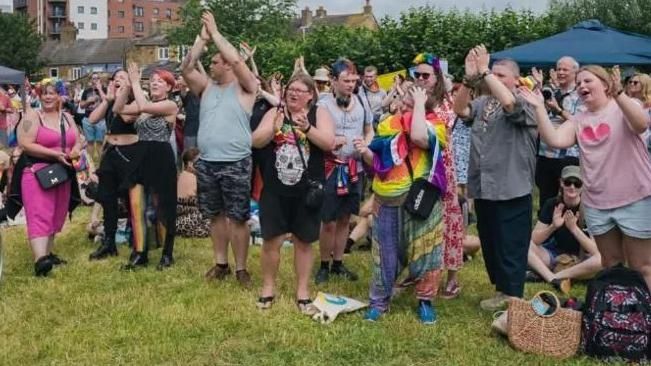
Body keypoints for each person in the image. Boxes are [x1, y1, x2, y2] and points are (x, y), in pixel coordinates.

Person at [521, 65, 651, 291]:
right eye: (579, 82)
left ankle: (646, 317)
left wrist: (619, 92)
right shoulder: (578, 120)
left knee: (643, 267)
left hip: (634, 198)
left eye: (587, 81)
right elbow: (555, 139)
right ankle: (617, 317)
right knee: (611, 265)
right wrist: (539, 107)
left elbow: (641, 124)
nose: (581, 85)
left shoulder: (625, 106)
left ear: (605, 84)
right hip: (598, 204)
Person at [453, 45, 537, 311]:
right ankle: (502, 291)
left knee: (511, 242)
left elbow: (510, 104)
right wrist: (468, 79)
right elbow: (459, 110)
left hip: (511, 186)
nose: (494, 79)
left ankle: (513, 295)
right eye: (494, 74)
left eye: (501, 75)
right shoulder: (483, 103)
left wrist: (486, 70)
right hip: (484, 186)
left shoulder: (526, 100)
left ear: (515, 79)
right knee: (491, 241)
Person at [355, 83, 447, 324]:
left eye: (410, 103)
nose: (403, 107)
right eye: (404, 102)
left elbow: (418, 136)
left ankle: (425, 301)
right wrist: (365, 152)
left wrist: (418, 104)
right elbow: (377, 162)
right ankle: (379, 302)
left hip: (421, 199)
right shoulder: (387, 124)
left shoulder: (436, 125)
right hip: (387, 197)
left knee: (426, 252)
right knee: (384, 253)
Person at [181, 12, 258, 286]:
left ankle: (241, 268)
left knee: (238, 217)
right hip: (208, 162)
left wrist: (215, 34)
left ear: (226, 64)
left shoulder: (246, 87)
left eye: (214, 61)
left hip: (236, 162)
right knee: (214, 215)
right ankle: (221, 264)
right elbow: (187, 68)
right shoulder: (207, 87)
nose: (210, 65)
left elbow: (238, 59)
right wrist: (201, 39)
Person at [252, 73, 335, 313]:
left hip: (306, 191)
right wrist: (272, 130)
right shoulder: (275, 112)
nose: (293, 93)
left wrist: (308, 128)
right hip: (276, 189)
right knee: (271, 241)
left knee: (304, 242)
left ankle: (302, 293)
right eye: (290, 89)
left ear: (310, 95)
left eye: (300, 90)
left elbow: (328, 143)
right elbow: (256, 141)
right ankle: (268, 289)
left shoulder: (318, 113)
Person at [9, 81, 82, 276]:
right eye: (44, 94)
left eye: (52, 93)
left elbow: (78, 139)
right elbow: (25, 143)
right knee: (40, 213)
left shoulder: (66, 117)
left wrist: (75, 151)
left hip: (64, 171)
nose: (48, 97)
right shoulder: (32, 117)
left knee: (57, 212)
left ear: (60, 96)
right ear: (39, 97)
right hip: (36, 171)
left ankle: (48, 254)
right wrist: (55, 155)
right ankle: (40, 260)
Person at [114, 63, 179, 270]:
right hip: (140, 156)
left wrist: (135, 83)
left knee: (164, 206)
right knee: (136, 205)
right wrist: (125, 87)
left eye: (160, 81)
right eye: (152, 81)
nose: (154, 83)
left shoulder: (170, 105)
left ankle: (167, 252)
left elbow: (143, 108)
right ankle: (139, 252)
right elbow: (119, 110)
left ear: (169, 87)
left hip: (161, 157)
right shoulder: (144, 101)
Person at [315, 58, 373, 285]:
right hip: (330, 169)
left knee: (345, 218)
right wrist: (331, 141)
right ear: (333, 81)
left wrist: (365, 145)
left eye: (353, 80)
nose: (350, 85)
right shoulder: (323, 105)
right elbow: (319, 136)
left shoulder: (361, 101)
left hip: (354, 169)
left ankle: (338, 263)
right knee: (328, 220)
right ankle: (323, 265)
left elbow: (370, 130)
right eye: (345, 80)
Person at [88, 69, 143, 261]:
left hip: (129, 154)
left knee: (132, 199)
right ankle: (109, 242)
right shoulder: (111, 101)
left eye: (122, 78)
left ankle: (138, 242)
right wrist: (107, 99)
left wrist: (123, 94)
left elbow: (128, 118)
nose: (117, 80)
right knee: (107, 198)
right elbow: (92, 119)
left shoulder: (136, 100)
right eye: (115, 78)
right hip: (111, 153)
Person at [527, 165, 602, 293]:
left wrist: (574, 229)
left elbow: (595, 250)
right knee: (523, 244)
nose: (572, 187)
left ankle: (554, 276)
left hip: (583, 260)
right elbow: (534, 240)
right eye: (568, 182)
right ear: (561, 183)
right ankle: (556, 276)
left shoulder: (591, 208)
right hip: (556, 256)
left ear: (583, 186)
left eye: (577, 183)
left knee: (601, 260)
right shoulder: (552, 204)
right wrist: (553, 227)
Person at [534, 57, 585, 210]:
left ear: (575, 72)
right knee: (546, 198)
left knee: (570, 198)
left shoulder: (580, 96)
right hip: (545, 154)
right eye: (558, 69)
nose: (560, 72)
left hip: (568, 156)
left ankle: (569, 230)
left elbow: (579, 123)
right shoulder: (548, 93)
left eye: (565, 69)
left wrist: (559, 111)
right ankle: (547, 229)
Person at [176, 148, 211, 237]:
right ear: (190, 164)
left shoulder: (182, 175)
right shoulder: (191, 177)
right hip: (188, 220)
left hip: (179, 221)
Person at [80, 73, 107, 161]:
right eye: (93, 78)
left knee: (100, 142)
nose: (95, 80)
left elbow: (108, 102)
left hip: (101, 120)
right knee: (89, 142)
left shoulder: (104, 90)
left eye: (97, 78)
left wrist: (99, 90)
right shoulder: (86, 91)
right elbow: (81, 105)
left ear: (100, 80)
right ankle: (90, 162)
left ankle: (99, 162)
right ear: (91, 80)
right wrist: (88, 101)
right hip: (88, 119)